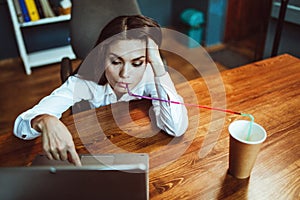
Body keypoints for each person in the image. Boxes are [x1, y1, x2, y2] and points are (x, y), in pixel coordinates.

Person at [14, 15, 188, 166]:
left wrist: (158, 66)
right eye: (115, 62)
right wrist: (45, 120)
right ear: (103, 55)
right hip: (97, 141)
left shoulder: (149, 72)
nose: (125, 74)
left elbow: (176, 128)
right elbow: (20, 127)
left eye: (136, 63)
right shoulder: (84, 82)